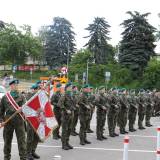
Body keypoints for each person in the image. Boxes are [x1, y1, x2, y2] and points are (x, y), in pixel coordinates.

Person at [0, 79, 27, 160]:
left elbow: (26, 108)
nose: (16, 86)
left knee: (21, 141)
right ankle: (6, 157)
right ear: (11, 86)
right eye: (14, 85)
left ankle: (23, 157)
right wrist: (1, 121)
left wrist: (22, 109)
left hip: (19, 121)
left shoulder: (22, 96)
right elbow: (1, 111)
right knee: (7, 141)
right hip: (8, 121)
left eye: (17, 85)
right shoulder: (5, 97)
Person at [58, 82, 74, 150]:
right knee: (65, 130)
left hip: (70, 116)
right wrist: (66, 110)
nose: (71, 88)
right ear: (67, 88)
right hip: (65, 116)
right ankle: (64, 144)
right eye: (70, 87)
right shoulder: (64, 95)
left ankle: (67, 143)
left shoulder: (70, 95)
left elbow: (72, 104)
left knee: (69, 130)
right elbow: (59, 104)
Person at [26, 84, 40, 160]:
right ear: (33, 90)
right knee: (30, 137)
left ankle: (33, 151)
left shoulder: (39, 96)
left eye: (38, 89)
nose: (38, 91)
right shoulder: (29, 95)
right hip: (31, 119)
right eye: (37, 89)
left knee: (36, 136)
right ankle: (27, 153)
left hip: (38, 119)